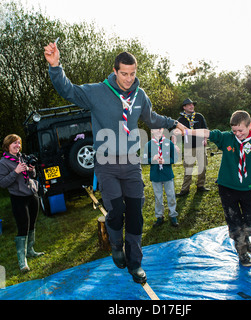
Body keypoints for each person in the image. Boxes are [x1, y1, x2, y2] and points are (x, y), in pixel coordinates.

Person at [44, 42, 186, 284]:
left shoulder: (140, 95)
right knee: (116, 211)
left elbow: (151, 118)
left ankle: (135, 263)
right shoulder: (97, 92)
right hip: (106, 163)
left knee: (135, 214)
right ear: (115, 71)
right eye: (124, 73)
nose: (129, 79)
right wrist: (56, 66)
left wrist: (173, 123)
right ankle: (116, 245)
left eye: (132, 73)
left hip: (131, 163)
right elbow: (68, 90)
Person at [184, 111, 251, 266]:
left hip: (247, 189)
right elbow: (208, 133)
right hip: (227, 188)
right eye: (235, 130)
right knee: (235, 222)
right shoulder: (227, 138)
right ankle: (242, 252)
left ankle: (245, 238)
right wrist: (188, 131)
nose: (238, 134)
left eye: (241, 130)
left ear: (250, 126)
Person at [0, 134, 44, 272]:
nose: (17, 146)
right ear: (7, 146)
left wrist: (31, 170)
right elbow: (2, 183)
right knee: (23, 226)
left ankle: (30, 250)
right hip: (18, 198)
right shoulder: (3, 162)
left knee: (32, 224)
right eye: (14, 143)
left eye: (18, 143)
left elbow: (32, 176)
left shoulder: (23, 157)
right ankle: (22, 261)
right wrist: (16, 171)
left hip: (32, 194)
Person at [143, 128, 179, 227]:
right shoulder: (148, 145)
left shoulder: (168, 143)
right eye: (156, 129)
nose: (158, 130)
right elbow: (144, 159)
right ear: (151, 131)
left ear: (162, 130)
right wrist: (152, 159)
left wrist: (165, 160)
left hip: (167, 174)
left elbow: (175, 158)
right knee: (158, 197)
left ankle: (173, 215)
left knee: (171, 195)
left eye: (160, 128)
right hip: (155, 175)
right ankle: (159, 216)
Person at [174, 98, 209, 197]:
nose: (191, 106)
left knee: (202, 166)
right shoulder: (180, 120)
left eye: (192, 104)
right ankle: (185, 189)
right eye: (189, 105)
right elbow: (176, 133)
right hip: (189, 147)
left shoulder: (199, 116)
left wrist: (205, 139)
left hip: (200, 145)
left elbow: (205, 129)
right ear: (184, 107)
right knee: (188, 169)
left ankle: (200, 185)